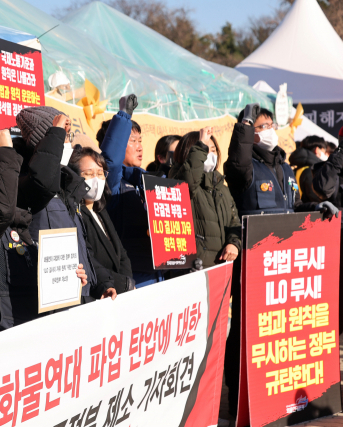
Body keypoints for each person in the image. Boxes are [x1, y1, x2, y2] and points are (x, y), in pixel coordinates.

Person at [222, 103, 338, 418]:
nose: (269, 129)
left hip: (282, 270)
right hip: (253, 267)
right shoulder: (243, 170)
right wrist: (244, 125)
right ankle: (239, 403)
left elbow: (291, 209)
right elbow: (237, 158)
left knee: (279, 337)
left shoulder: (284, 167)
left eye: (271, 123)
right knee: (245, 337)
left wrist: (316, 210)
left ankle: (280, 403)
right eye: (261, 126)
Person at [0, 131, 89, 335]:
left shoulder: (16, 223)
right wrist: (4, 152)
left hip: (29, 336)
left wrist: (67, 279)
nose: (9, 189)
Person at [18, 107, 117, 302]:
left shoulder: (68, 188)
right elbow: (43, 179)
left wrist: (102, 284)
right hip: (54, 303)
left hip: (80, 298)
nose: (68, 143)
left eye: (67, 135)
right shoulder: (29, 184)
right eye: (62, 135)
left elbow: (82, 250)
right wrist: (55, 133)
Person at [99, 95, 165, 287]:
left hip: (158, 273)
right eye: (132, 140)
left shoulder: (148, 183)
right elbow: (111, 161)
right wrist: (124, 116)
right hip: (132, 277)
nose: (140, 147)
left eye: (140, 140)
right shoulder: (112, 183)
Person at [168, 127, 241, 268]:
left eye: (213, 150)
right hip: (192, 269)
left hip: (220, 269)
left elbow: (234, 223)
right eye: (205, 149)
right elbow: (188, 183)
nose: (210, 154)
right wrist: (201, 145)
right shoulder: (178, 179)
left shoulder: (221, 186)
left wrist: (234, 243)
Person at [68, 146, 135, 294]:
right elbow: (89, 259)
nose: (96, 179)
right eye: (89, 174)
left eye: (100, 173)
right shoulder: (74, 214)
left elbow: (121, 254)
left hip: (121, 291)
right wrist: (120, 283)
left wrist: (127, 282)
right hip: (100, 292)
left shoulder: (100, 211)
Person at [288, 135, 328, 203]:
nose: (325, 154)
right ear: (317, 150)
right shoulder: (312, 171)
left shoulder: (297, 168)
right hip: (309, 211)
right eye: (324, 151)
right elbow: (315, 198)